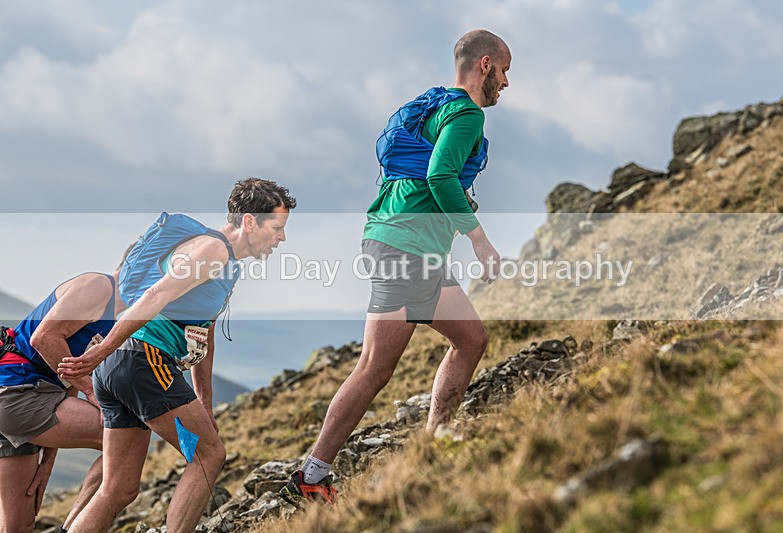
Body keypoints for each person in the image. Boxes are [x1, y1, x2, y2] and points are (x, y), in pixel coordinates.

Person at [281, 29, 511, 504]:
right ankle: (313, 475)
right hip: (407, 249)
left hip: (402, 242)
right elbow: (440, 175)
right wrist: (480, 240)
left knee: (471, 338)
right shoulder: (466, 114)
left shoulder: (433, 106)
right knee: (374, 366)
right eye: (505, 70)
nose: (506, 83)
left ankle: (436, 442)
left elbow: (426, 177)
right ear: (485, 65)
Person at [57, 178, 296, 533]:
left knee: (118, 488)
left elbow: (204, 332)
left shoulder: (228, 263)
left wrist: (205, 402)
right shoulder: (212, 250)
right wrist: (102, 349)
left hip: (122, 365)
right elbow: (155, 296)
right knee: (209, 455)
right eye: (276, 228)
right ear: (249, 221)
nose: (282, 237)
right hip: (142, 359)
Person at [0, 259, 129, 532]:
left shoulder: (113, 317)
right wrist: (91, 391)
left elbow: (66, 380)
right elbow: (43, 339)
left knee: (18, 525)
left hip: (18, 395)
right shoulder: (99, 286)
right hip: (19, 392)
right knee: (125, 436)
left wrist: (47, 463)